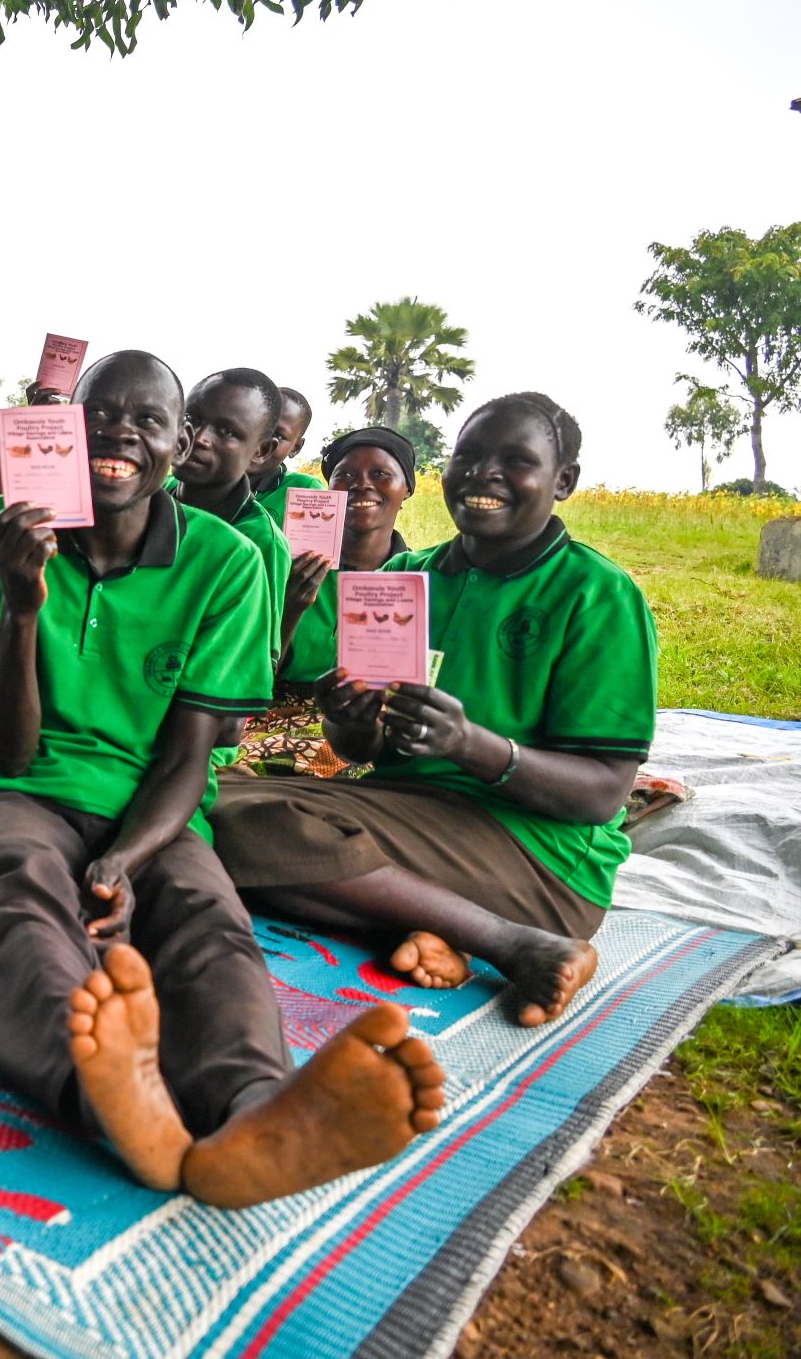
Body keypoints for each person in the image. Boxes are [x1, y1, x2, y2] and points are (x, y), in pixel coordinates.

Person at [0, 350, 444, 1207]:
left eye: (149, 420)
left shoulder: (230, 561)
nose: (121, 432)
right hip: (12, 794)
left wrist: (124, 860)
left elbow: (190, 755)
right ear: (62, 429)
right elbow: (8, 752)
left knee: (207, 916)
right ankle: (102, 1096)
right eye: (101, 414)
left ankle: (257, 1112)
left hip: (157, 808)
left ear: (181, 444)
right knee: (17, 894)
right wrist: (25, 607)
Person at [214, 394, 653, 1025]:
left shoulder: (596, 594)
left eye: (515, 460)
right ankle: (435, 924)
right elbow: (360, 751)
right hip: (410, 816)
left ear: (564, 482)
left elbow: (603, 795)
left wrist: (468, 744)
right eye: (468, 457)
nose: (483, 474)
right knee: (200, 794)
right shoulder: (406, 577)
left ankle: (518, 943)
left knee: (255, 830)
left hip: (539, 856)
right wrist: (349, 716)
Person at [280, 426, 416, 688]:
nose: (361, 484)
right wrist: (290, 609)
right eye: (345, 475)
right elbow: (251, 674)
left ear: (407, 488)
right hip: (274, 715)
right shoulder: (290, 564)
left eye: (380, 474)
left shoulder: (419, 578)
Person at [173, 369, 292, 664]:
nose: (198, 438)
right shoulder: (150, 497)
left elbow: (256, 658)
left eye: (227, 432)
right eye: (192, 418)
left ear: (261, 451)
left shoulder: (259, 540)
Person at [249, 386, 317, 526]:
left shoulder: (305, 489)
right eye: (256, 426)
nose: (261, 440)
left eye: (278, 436)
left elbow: (312, 547)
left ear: (295, 448)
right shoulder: (204, 478)